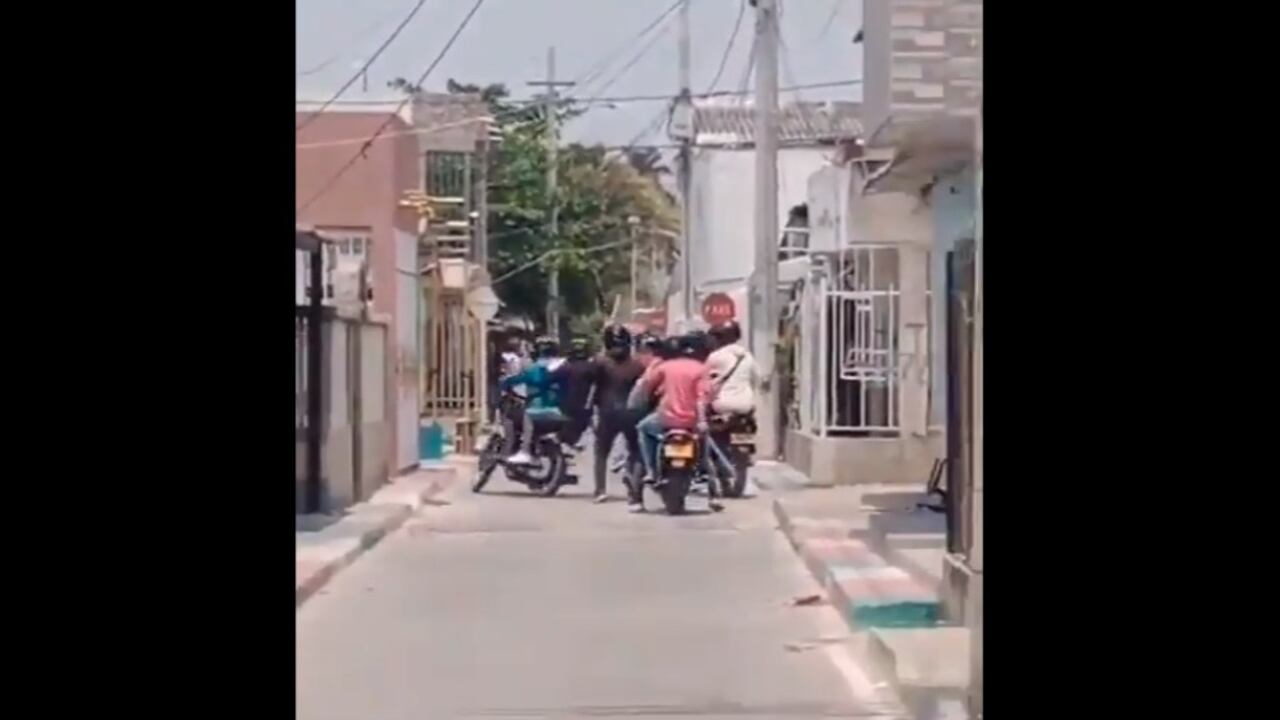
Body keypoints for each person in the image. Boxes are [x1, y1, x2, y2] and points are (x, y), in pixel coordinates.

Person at [628, 333, 712, 490]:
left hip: (666, 418)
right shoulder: (701, 369)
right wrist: (701, 421)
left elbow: (647, 385)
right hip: (691, 420)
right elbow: (702, 398)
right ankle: (703, 470)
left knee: (643, 428)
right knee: (704, 440)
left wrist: (641, 400)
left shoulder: (665, 367)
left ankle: (651, 470)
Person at [586, 325, 646, 507]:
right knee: (635, 452)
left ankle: (600, 491)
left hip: (607, 412)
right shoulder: (637, 364)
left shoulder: (600, 362)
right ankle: (635, 494)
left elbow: (592, 388)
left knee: (601, 453)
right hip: (631, 412)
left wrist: (590, 410)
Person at [500, 337, 566, 465]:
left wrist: (505, 383)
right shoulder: (564, 366)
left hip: (538, 409)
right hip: (559, 410)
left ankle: (524, 451)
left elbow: (515, 380)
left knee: (516, 417)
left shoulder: (536, 368)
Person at [705, 320, 758, 416]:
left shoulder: (714, 356)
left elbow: (705, 382)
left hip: (721, 404)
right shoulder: (747, 356)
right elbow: (756, 379)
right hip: (745, 404)